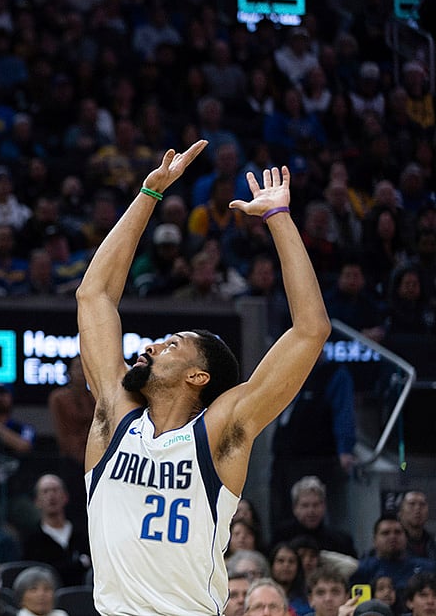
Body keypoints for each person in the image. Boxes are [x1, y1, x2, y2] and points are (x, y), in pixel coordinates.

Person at [77, 146, 332, 615]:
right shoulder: (114, 414)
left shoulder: (219, 434)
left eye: (170, 344)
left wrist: (278, 217)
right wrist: (149, 193)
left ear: (198, 376)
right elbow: (93, 294)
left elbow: (311, 330)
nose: (151, 347)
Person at [270, 358, 357, 532]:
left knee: (312, 511)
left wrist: (345, 449)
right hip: (285, 457)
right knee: (282, 512)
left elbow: (344, 413)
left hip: (317, 458)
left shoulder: (334, 373)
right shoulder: (292, 370)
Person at [21, 474, 91, 588]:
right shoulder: (31, 540)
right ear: (37, 501)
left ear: (65, 497)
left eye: (55, 490)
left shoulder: (83, 534)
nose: (51, 496)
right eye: (45, 491)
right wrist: (78, 564)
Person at [272, 476, 358, 558]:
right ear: (295, 509)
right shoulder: (282, 537)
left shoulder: (341, 542)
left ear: (324, 507)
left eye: (316, 505)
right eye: (305, 505)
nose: (311, 511)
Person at [349, 516, 436, 593]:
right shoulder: (361, 570)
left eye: (398, 532)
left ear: (406, 538)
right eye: (385, 533)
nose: (392, 537)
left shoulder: (426, 567)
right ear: (374, 540)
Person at [398, 491, 436, 562]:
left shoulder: (433, 543)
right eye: (412, 504)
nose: (418, 509)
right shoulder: (392, 543)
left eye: (422, 504)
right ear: (401, 512)